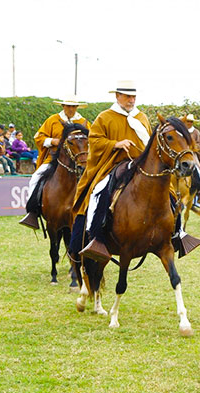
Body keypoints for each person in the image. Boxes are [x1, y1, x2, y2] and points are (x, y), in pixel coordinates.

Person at [71, 80, 153, 261]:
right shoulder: (105, 117)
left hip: (140, 166)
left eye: (134, 96)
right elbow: (94, 140)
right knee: (97, 192)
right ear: (117, 96)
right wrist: (115, 144)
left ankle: (177, 232)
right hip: (112, 165)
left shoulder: (142, 118)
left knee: (168, 189)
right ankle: (94, 237)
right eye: (127, 96)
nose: (132, 100)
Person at [19, 94, 90, 229]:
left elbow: (91, 139)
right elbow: (39, 137)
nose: (71, 109)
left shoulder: (83, 122)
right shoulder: (53, 120)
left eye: (73, 106)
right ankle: (33, 212)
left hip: (79, 161)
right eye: (68, 106)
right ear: (63, 106)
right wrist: (52, 141)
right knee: (35, 178)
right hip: (54, 159)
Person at [183, 113, 200, 203]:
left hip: (192, 154)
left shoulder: (196, 132)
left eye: (191, 121)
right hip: (181, 154)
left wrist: (192, 146)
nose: (189, 123)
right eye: (188, 121)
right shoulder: (181, 131)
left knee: (197, 170)